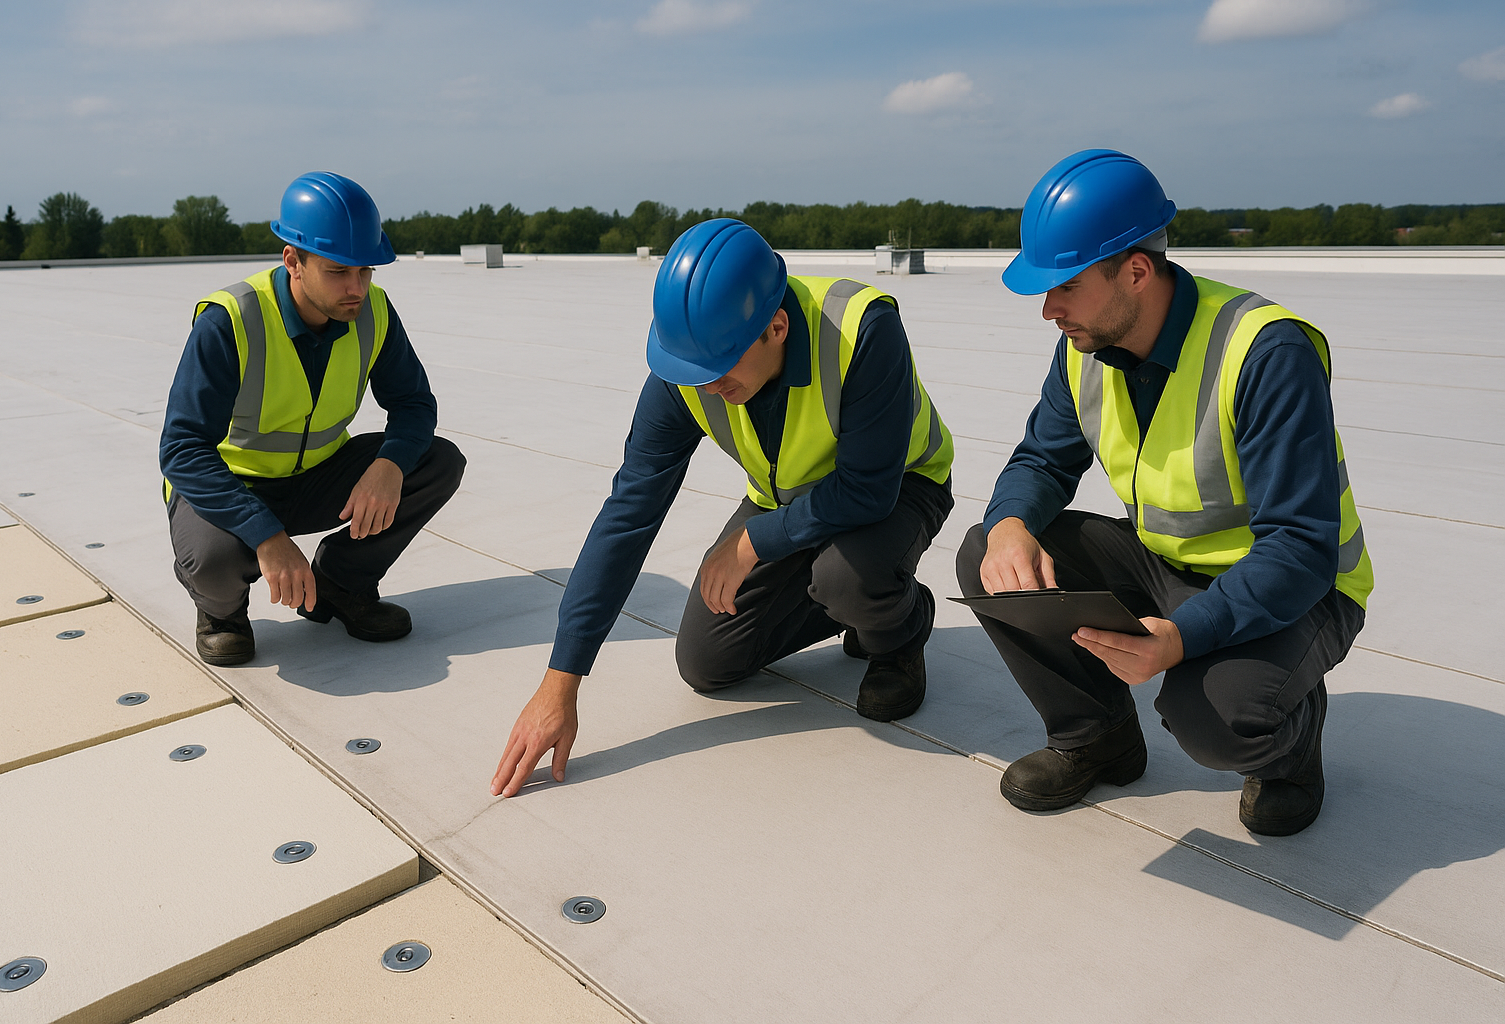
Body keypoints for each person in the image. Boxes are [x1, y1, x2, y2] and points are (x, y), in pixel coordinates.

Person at [957, 150, 1373, 836]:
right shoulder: (1083, 346)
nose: (1048, 310)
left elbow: (1300, 549)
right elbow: (1042, 459)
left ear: (1137, 272)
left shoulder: (1265, 352)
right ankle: (1098, 737)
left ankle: (1292, 748)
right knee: (988, 558)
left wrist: (1180, 640)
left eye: (1063, 285)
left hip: (1298, 587)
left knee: (1211, 718)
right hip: (1166, 562)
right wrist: (1010, 526)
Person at [491, 218, 955, 797]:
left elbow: (867, 490)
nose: (706, 387)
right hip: (786, 499)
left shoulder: (863, 328)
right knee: (709, 662)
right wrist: (561, 682)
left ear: (777, 328)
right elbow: (628, 513)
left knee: (847, 578)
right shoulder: (687, 364)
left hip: (900, 487)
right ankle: (863, 604)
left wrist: (752, 542)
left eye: (718, 371)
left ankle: (899, 629)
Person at [160, 171, 465, 666]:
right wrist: (266, 535)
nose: (357, 288)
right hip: (236, 484)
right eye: (338, 272)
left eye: (365, 271)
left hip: (318, 476)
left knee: (437, 462)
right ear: (293, 261)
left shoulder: (373, 313)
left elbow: (413, 405)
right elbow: (182, 449)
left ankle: (342, 583)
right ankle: (222, 614)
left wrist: (388, 466)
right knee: (213, 560)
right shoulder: (231, 320)